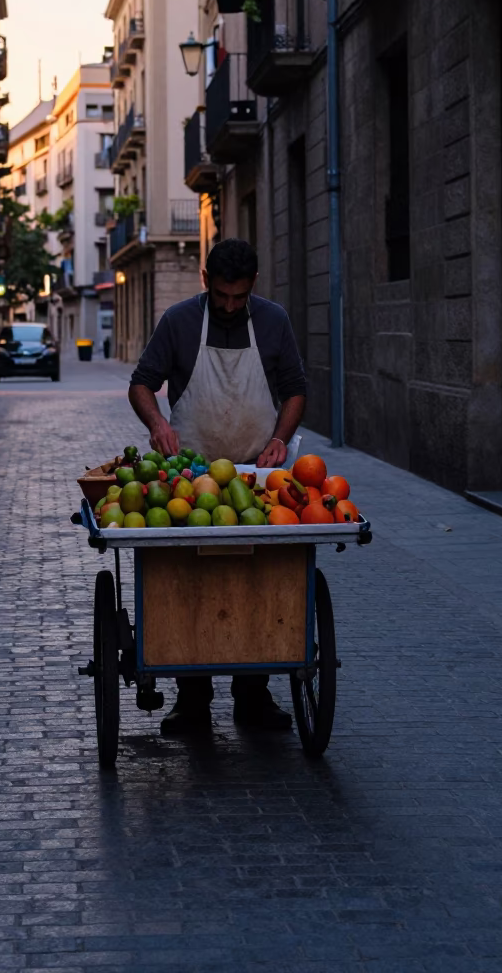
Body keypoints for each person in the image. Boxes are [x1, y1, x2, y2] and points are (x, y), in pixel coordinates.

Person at [128, 237, 307, 735]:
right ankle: (192, 699)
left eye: (240, 297)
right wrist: (157, 425)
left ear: (253, 286)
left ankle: (254, 694)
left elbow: (295, 389)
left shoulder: (273, 321)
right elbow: (141, 383)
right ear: (206, 281)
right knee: (191, 582)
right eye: (223, 296)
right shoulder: (180, 321)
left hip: (257, 477)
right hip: (189, 480)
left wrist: (280, 438)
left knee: (260, 580)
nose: (230, 307)